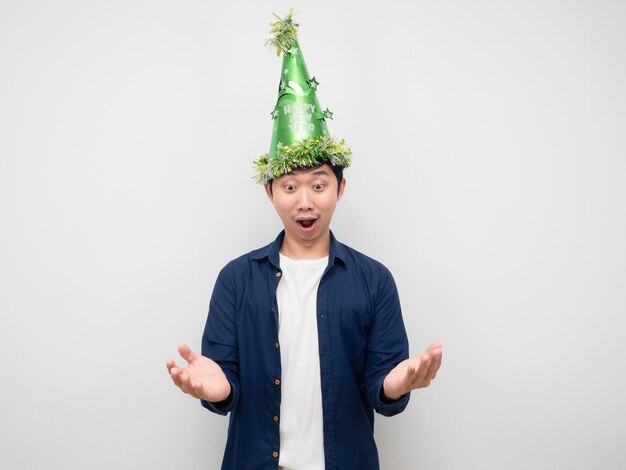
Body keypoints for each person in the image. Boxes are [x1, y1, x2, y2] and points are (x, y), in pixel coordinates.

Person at [166, 10, 442, 470]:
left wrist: (394, 384)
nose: (305, 201)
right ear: (269, 192)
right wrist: (218, 389)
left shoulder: (374, 281)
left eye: (319, 184)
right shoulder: (235, 280)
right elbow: (222, 382)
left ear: (340, 188)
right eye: (289, 187)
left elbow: (384, 389)